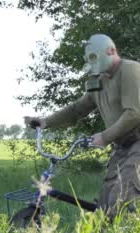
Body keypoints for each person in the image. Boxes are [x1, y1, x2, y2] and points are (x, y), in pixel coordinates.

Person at [24, 33, 140, 217]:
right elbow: (77, 110)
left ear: (112, 50)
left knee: (124, 198)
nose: (94, 62)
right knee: (106, 202)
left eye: (95, 56)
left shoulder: (130, 70)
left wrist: (104, 137)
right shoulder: (99, 81)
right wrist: (46, 122)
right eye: (90, 58)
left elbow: (134, 113)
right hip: (122, 146)